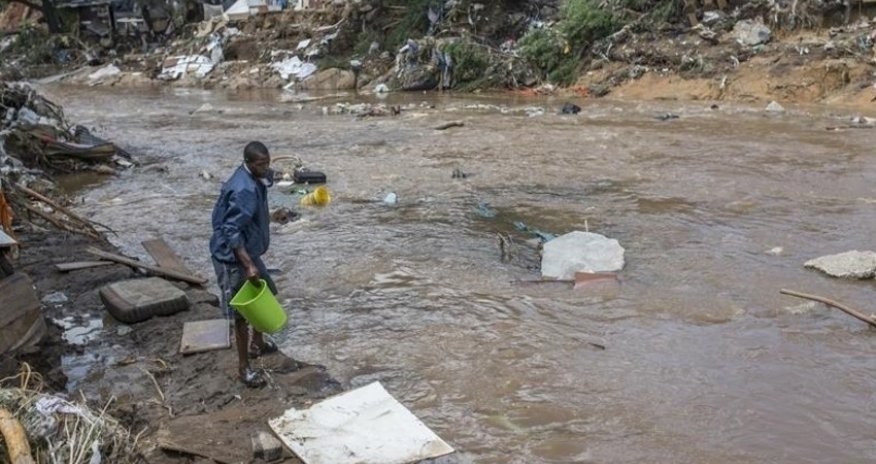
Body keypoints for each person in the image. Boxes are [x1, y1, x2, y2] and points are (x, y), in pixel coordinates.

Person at [210, 141, 279, 387]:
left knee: (266, 291)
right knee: (242, 314)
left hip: (248, 249)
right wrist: (248, 265)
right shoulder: (244, 190)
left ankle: (256, 343)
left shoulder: (253, 178)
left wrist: (267, 175)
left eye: (267, 163)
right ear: (248, 163)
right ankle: (244, 369)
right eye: (261, 165)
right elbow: (230, 230)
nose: (265, 168)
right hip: (232, 256)